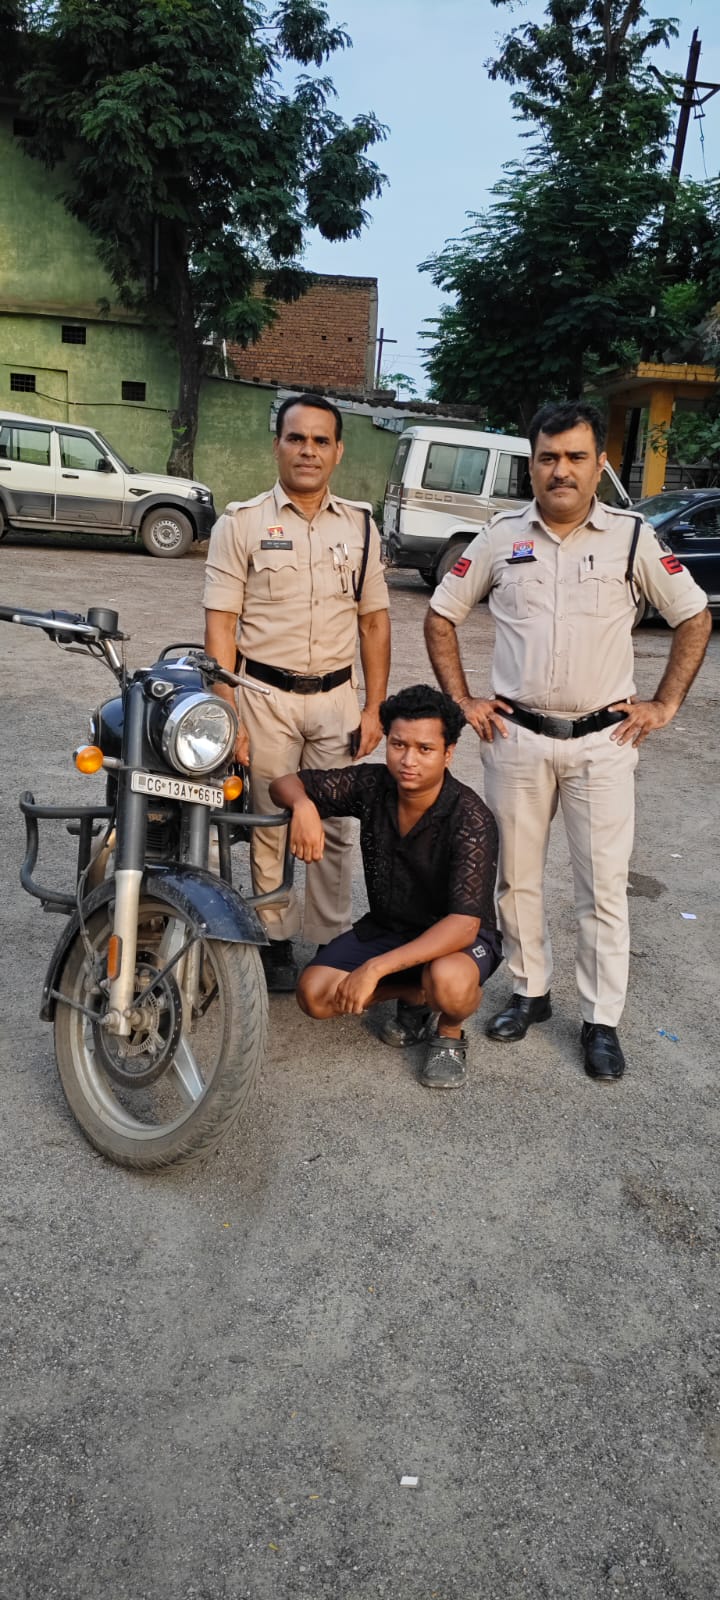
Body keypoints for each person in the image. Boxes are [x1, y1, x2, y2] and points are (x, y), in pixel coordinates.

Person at [424, 399, 712, 1082]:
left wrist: (664, 704)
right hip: (516, 739)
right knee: (515, 879)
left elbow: (694, 616)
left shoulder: (632, 538)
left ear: (599, 464)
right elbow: (440, 616)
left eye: (576, 457)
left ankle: (601, 1021)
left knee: (602, 888)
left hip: (603, 744)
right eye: (548, 458)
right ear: (532, 465)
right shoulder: (500, 537)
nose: (562, 470)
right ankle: (530, 992)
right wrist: (464, 701)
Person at [203, 393, 391, 990]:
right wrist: (228, 708)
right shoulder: (241, 523)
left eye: (320, 441)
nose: (308, 451)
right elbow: (221, 625)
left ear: (338, 452)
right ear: (277, 445)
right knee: (269, 820)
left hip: (337, 700)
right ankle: (274, 937)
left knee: (336, 825)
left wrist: (374, 707)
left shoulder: (361, 526)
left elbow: (374, 622)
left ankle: (332, 940)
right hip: (264, 695)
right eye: (296, 438)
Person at [269, 684, 501, 1089]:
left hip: (455, 939)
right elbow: (283, 784)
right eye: (398, 745)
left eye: (425, 749)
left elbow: (464, 924)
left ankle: (449, 1031)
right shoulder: (374, 785)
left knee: (449, 983)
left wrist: (373, 969)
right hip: (389, 927)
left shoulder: (470, 818)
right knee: (314, 995)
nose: (408, 760)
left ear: (448, 753)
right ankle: (414, 995)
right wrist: (303, 806)